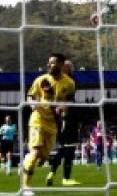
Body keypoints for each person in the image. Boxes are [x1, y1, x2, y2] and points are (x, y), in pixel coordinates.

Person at [21, 53, 76, 192]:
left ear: (61, 65)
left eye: (52, 63)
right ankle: (26, 187)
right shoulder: (41, 80)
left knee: (42, 157)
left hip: (53, 125)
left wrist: (63, 109)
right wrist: (32, 103)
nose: (49, 65)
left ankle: (26, 162)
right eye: (49, 62)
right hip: (38, 120)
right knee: (35, 153)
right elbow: (30, 96)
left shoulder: (69, 83)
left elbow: (69, 103)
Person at [46, 60, 82, 186]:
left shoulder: (56, 80)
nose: (73, 67)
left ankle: (51, 172)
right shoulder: (70, 81)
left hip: (60, 118)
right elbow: (66, 100)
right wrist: (64, 112)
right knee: (69, 148)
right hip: (68, 117)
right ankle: (66, 178)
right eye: (71, 66)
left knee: (62, 148)